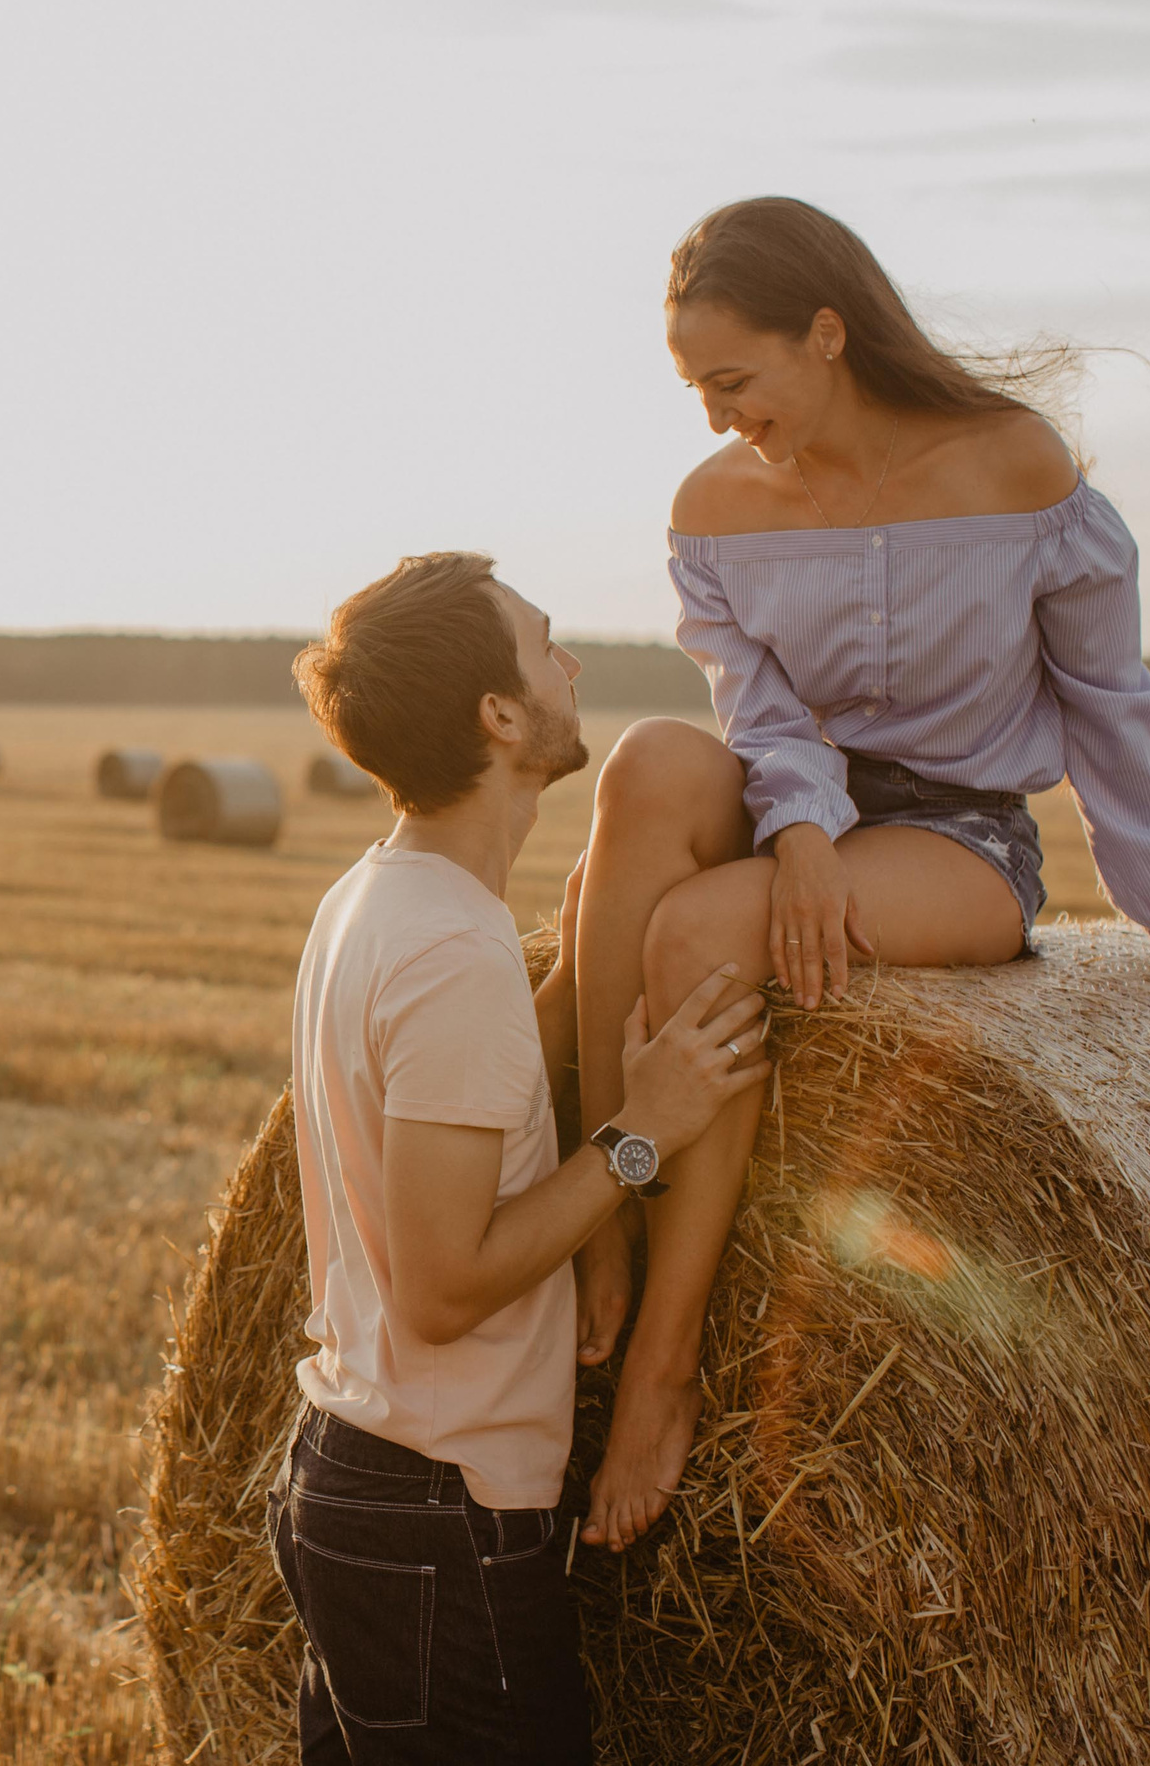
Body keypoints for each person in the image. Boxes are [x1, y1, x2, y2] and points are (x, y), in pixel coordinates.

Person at [566, 196, 1150, 1558]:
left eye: (734, 380)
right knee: (650, 764)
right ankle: (598, 1215)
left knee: (698, 932)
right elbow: (761, 715)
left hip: (958, 837)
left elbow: (1107, 695)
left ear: (827, 334)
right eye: (694, 388)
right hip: (803, 802)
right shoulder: (716, 509)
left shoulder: (1015, 470)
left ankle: (660, 1368)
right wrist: (796, 833)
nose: (717, 418)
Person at [271, 551, 770, 1763]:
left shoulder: (379, 902)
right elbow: (443, 1287)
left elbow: (465, 1084)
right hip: (433, 1517)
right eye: (545, 646)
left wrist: (592, 963)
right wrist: (640, 1130)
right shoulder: (447, 951)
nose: (572, 664)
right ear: (499, 715)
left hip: (369, 1491)